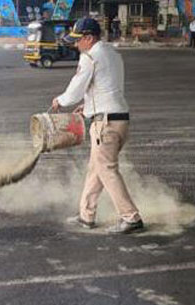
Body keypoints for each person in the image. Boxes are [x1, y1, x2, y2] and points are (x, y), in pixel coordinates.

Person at [51, 17, 144, 234]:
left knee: (107, 170)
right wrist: (88, 107)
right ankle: (86, 215)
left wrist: (60, 101)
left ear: (89, 38)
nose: (76, 45)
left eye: (78, 40)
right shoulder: (113, 54)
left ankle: (131, 217)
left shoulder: (90, 57)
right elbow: (107, 87)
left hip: (106, 125)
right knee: (97, 169)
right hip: (119, 119)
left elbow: (75, 89)